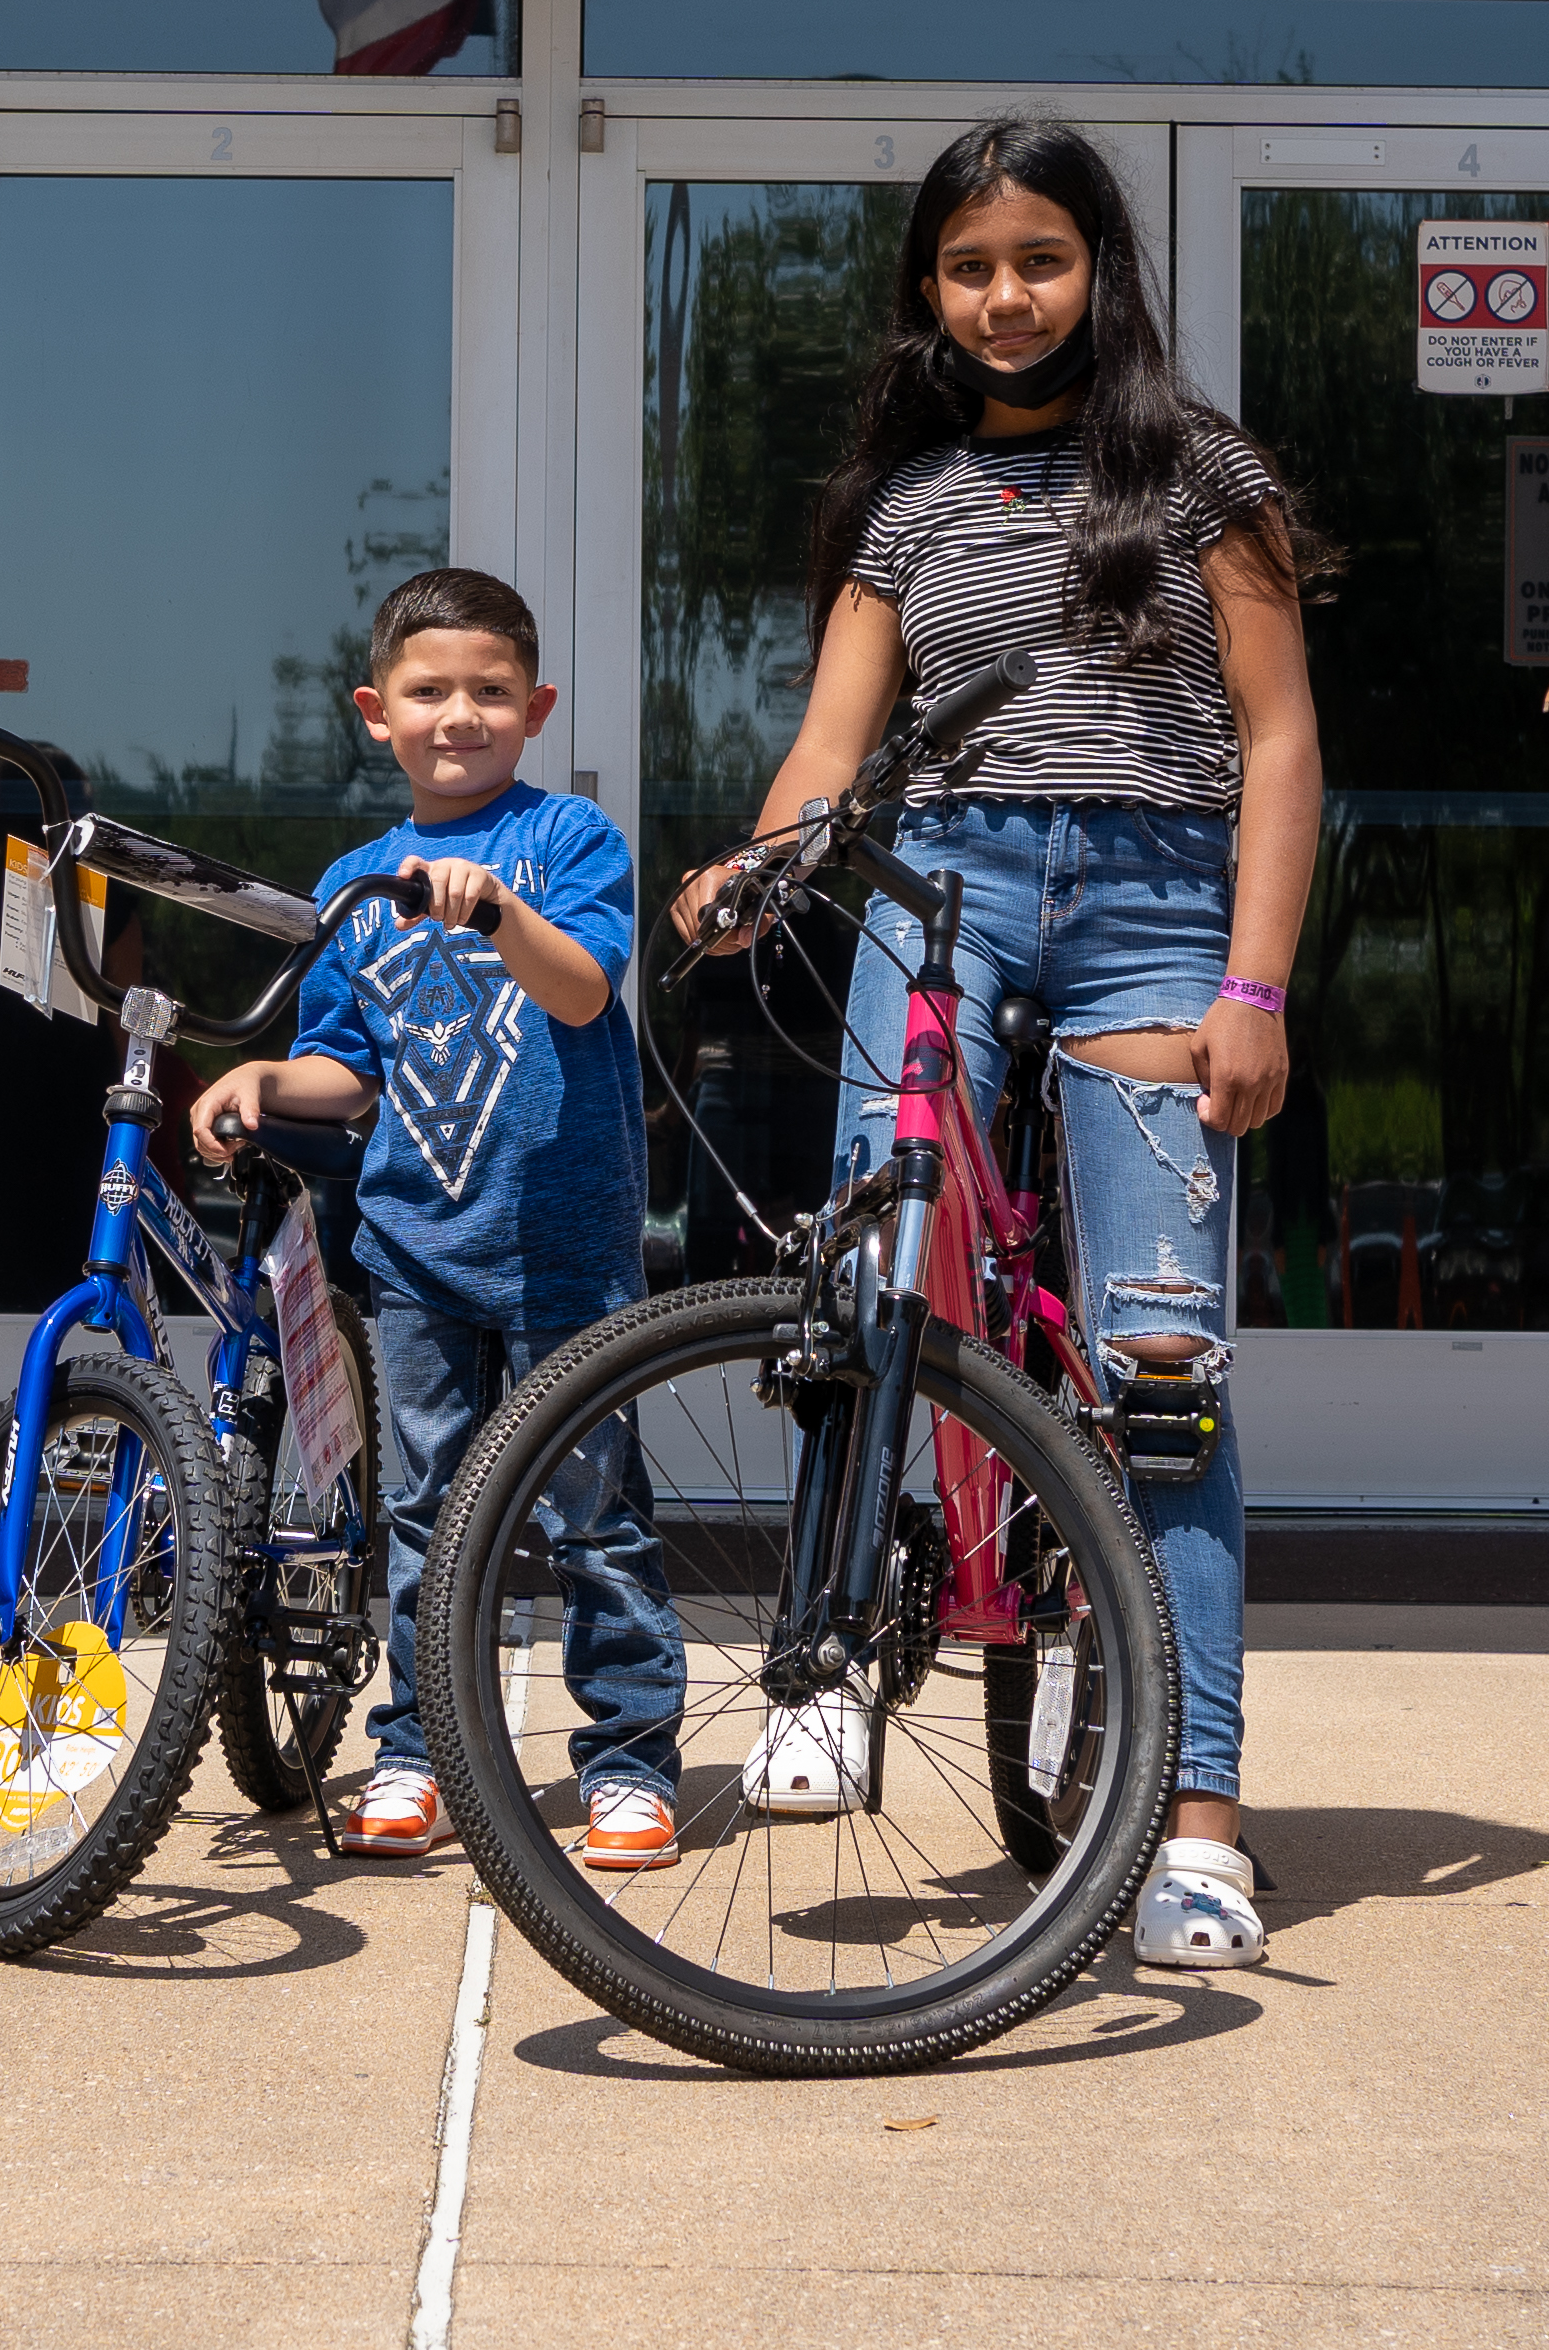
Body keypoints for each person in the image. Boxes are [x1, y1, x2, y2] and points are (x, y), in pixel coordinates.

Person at [679, 112, 1326, 1969]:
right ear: (929, 294)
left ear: (1096, 272)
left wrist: (1255, 985)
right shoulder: (906, 500)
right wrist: (760, 865)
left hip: (1155, 904)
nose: (1006, 297)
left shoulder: (1204, 477)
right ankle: (830, 1648)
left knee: (1160, 1361)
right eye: (970, 268)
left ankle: (1199, 1813)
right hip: (931, 883)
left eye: (1039, 259)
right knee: (863, 1274)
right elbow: (832, 748)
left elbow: (1278, 743)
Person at [186, 567, 671, 1870]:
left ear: (539, 706)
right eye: (430, 691)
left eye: (492, 693)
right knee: (428, 1515)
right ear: (375, 712)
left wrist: (500, 908)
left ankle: (629, 1757)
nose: (461, 714)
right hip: (416, 1245)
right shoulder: (354, 882)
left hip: (563, 1241)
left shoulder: (571, 844)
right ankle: (419, 1753)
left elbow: (579, 995)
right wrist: (265, 1080)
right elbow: (347, 1066)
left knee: (591, 1507)